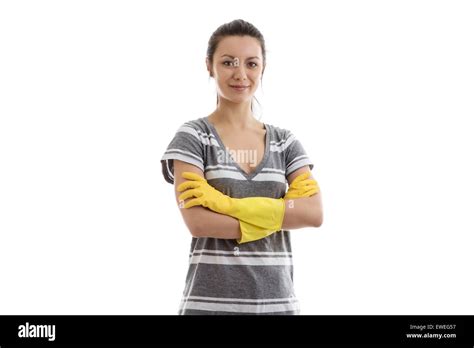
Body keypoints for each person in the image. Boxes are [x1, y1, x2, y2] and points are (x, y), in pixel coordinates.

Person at [161, 19, 323, 315]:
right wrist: (281, 212)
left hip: (279, 305)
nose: (240, 74)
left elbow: (313, 213)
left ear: (263, 69)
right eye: (228, 62)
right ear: (209, 66)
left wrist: (223, 204)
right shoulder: (193, 137)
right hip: (209, 307)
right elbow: (198, 222)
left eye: (251, 64)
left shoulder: (285, 142)